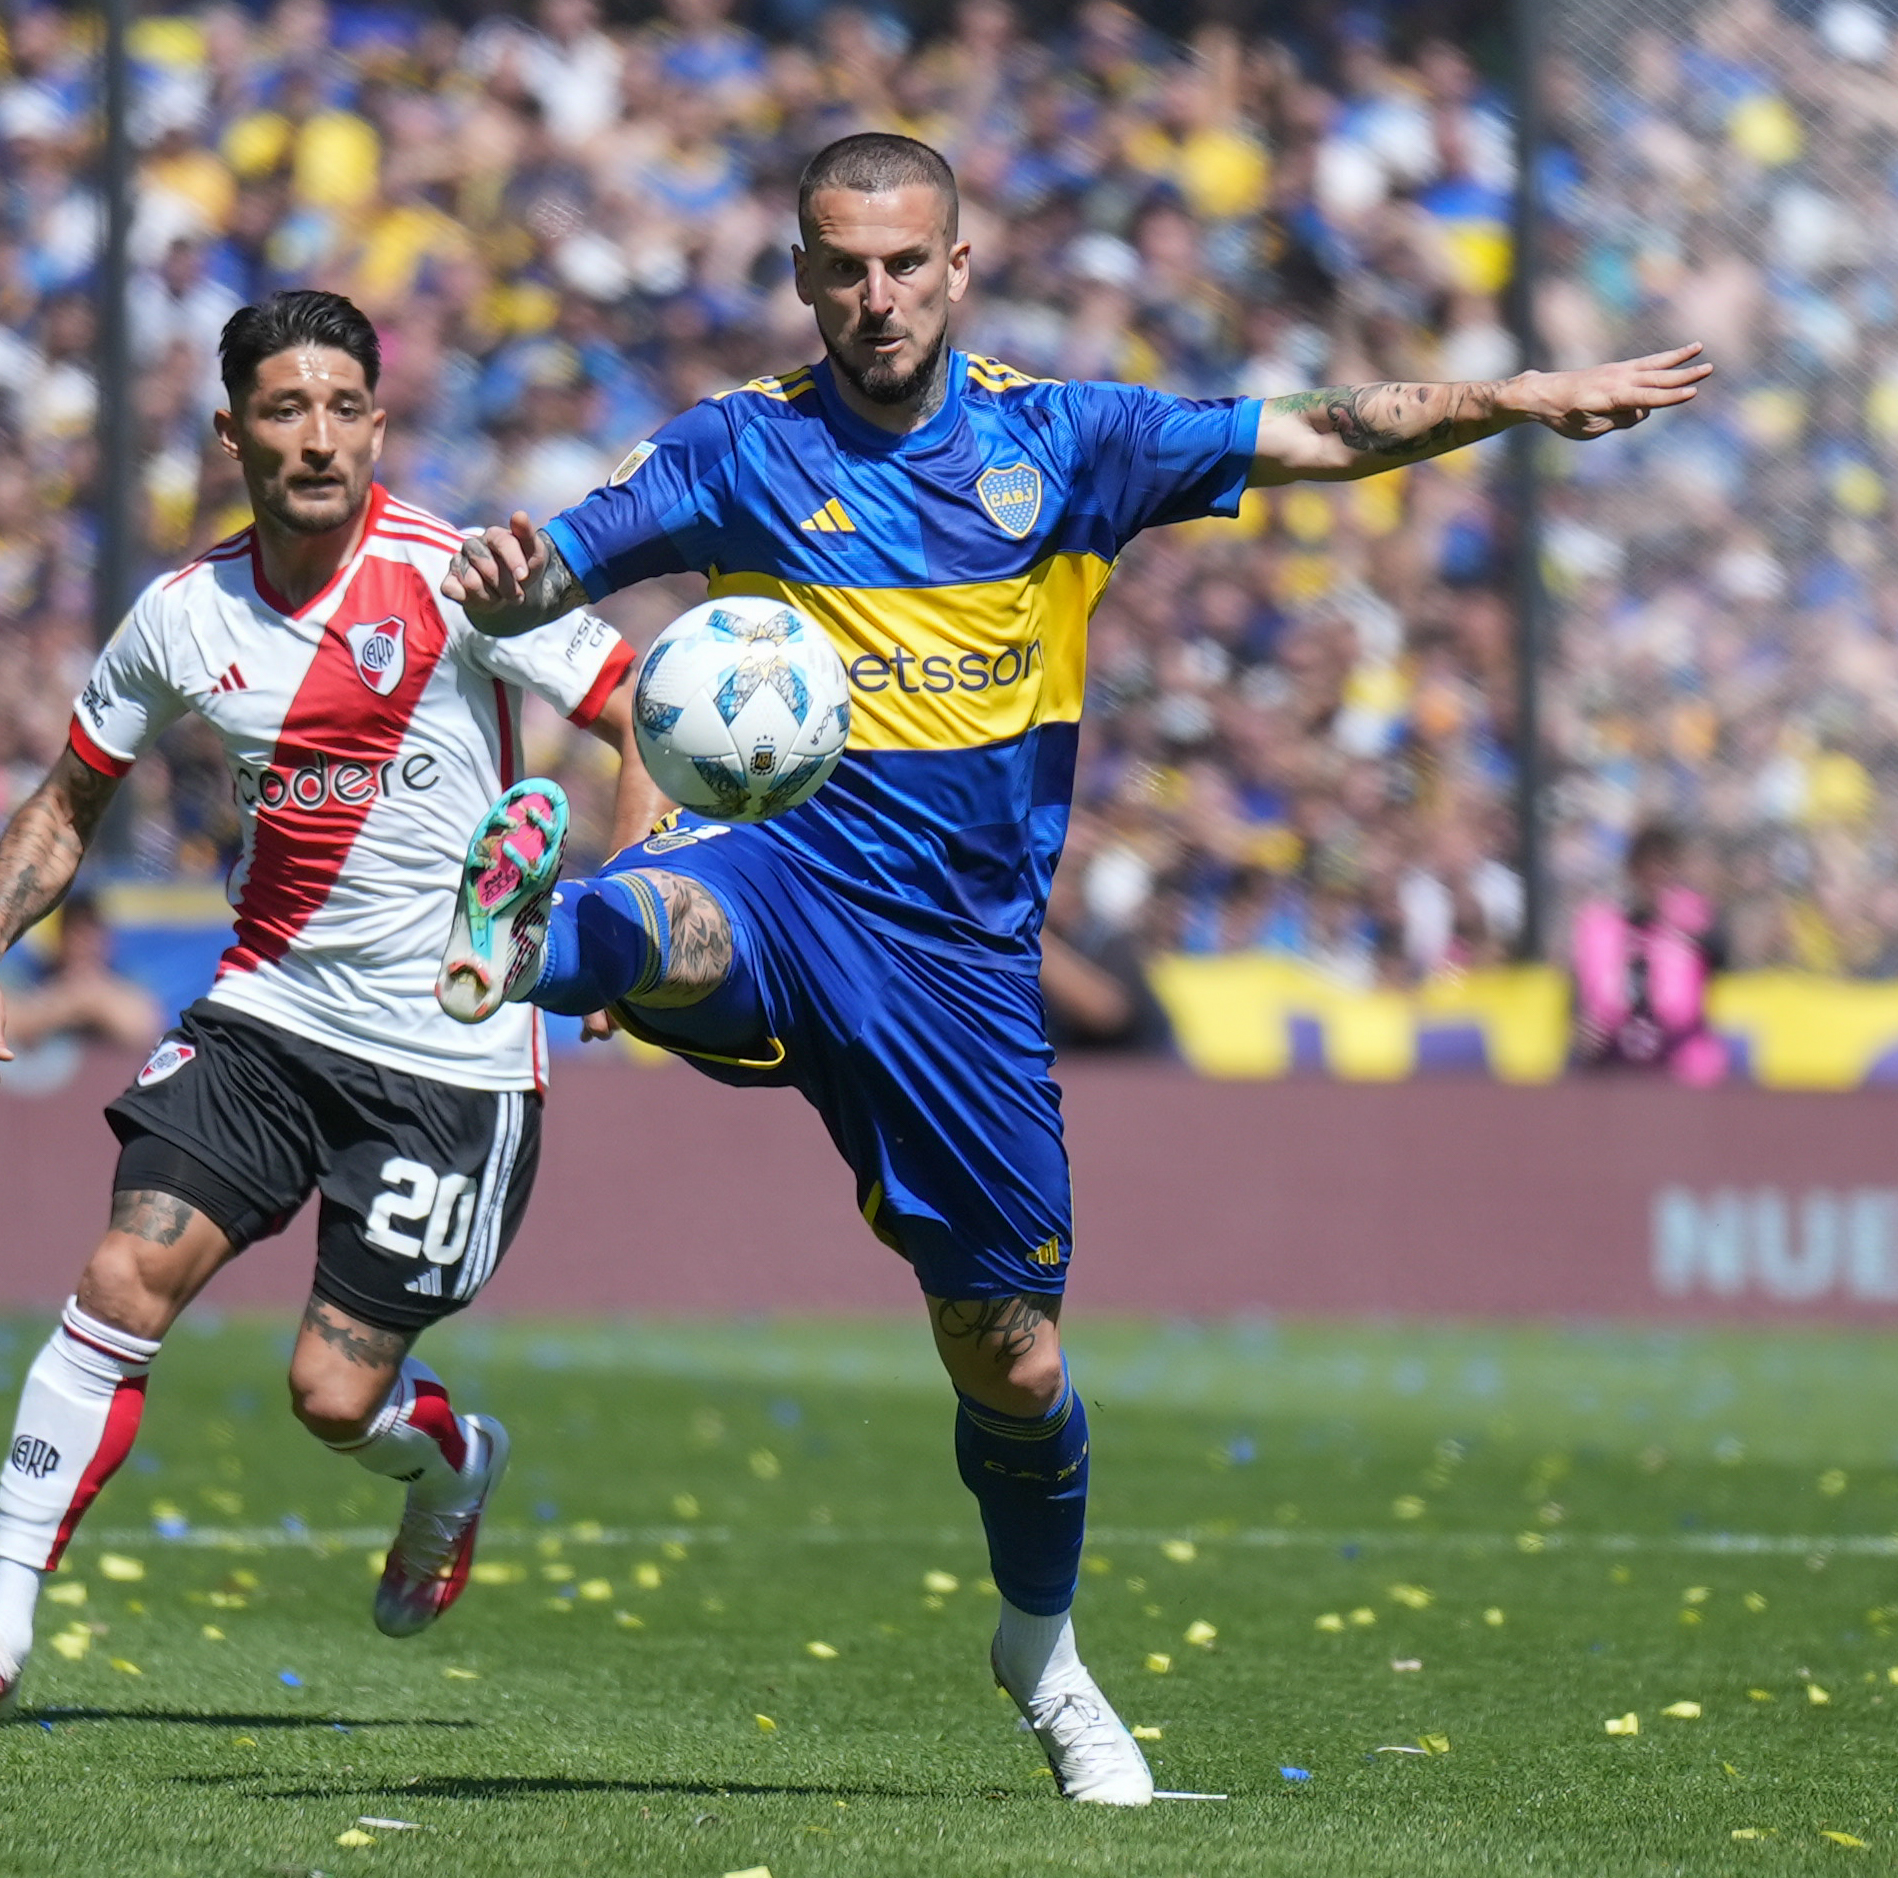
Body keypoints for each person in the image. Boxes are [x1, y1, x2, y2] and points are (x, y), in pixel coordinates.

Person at [435, 132, 1709, 1803]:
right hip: (789, 878)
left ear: (960, 268)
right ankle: (526, 930)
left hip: (962, 970)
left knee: (1014, 1358)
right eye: (843, 266)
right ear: (802, 278)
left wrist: (1525, 394)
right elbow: (572, 555)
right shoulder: (739, 449)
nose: (875, 294)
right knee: (682, 920)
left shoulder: (1065, 440)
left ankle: (1041, 1644)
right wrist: (522, 571)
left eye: (906, 263)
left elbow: (1327, 430)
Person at [0, 289, 662, 1731]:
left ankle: (451, 1462)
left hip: (452, 1054)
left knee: (329, 1395)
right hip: (266, 1016)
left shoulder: (462, 577)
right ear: (232, 429)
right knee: (122, 1280)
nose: (319, 439)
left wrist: (624, 922)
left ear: (378, 421)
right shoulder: (182, 616)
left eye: (345, 408)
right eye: (288, 410)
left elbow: (630, 715)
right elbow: (70, 799)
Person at [1571, 823, 1727, 1084]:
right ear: (1633, 871)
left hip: (1680, 1058)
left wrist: (1682, 927)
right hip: (1613, 1056)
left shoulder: (1696, 925)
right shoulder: (1602, 927)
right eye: (1647, 868)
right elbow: (1581, 995)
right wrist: (1584, 1025)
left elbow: (1722, 957)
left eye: (1664, 869)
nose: (1655, 878)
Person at [3, 891, 165, 1051]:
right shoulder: (33, 974)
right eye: (76, 934)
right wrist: (67, 1002)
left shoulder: (128, 976)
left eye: (91, 935)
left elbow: (149, 1031)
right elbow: (6, 1026)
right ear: (61, 938)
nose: (84, 945)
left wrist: (93, 999)